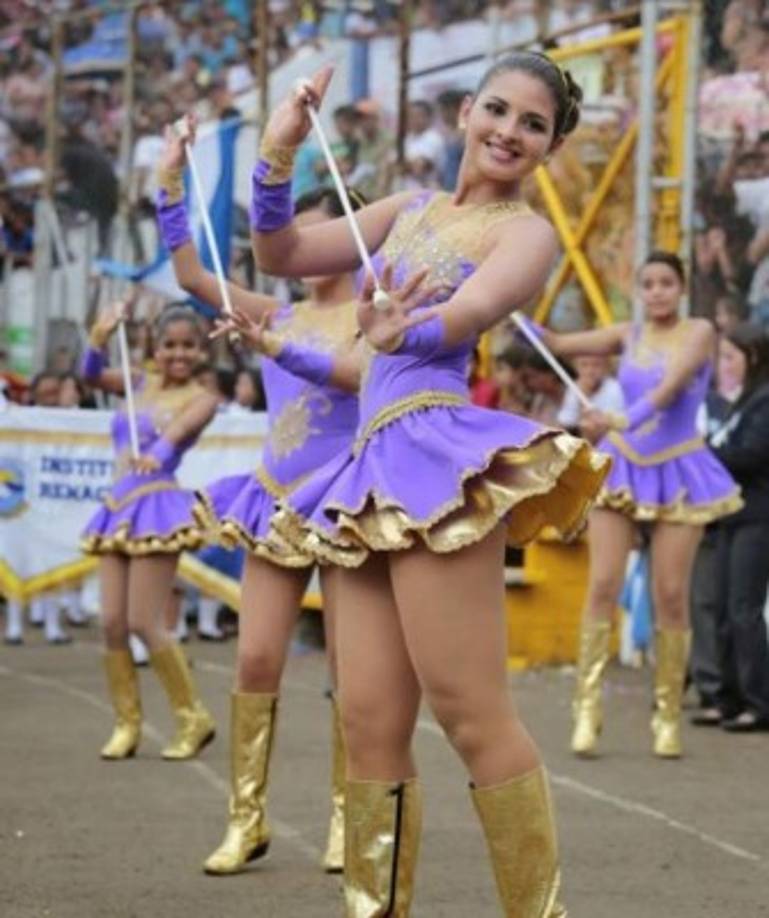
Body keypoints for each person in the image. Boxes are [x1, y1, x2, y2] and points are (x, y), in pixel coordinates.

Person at [249, 54, 609, 915]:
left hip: (435, 461)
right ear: (463, 113)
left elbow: (472, 314)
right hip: (366, 473)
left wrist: (401, 334)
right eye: (497, 110)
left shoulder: (524, 233)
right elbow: (283, 251)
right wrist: (278, 151)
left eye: (532, 125)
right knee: (368, 721)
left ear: (551, 146)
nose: (508, 132)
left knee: (468, 712)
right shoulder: (406, 209)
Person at [154, 118, 365, 876]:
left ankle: (350, 815)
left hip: (347, 504)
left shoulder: (375, 319)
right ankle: (246, 818)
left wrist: (275, 346)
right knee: (253, 660)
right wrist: (169, 177)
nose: (304, 256)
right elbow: (188, 276)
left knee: (353, 673)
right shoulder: (275, 311)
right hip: (276, 501)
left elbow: (351, 378)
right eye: (294, 241)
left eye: (318, 239)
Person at [526, 251, 743, 759]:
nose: (658, 292)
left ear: (681, 287)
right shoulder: (628, 334)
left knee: (671, 593)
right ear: (640, 290)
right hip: (623, 465)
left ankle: (667, 713)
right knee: (602, 583)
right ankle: (586, 708)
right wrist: (518, 310)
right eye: (648, 284)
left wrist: (618, 419)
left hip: (679, 467)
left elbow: (668, 393)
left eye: (667, 282)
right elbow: (556, 343)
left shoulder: (699, 332)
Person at [80, 303, 219, 762]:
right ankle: (127, 723)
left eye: (188, 346)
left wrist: (159, 450)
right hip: (118, 503)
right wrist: (100, 335)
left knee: (144, 620)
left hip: (157, 504)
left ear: (201, 351)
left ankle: (192, 717)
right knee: (111, 623)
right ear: (153, 348)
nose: (178, 354)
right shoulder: (136, 381)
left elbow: (183, 428)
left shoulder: (203, 396)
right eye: (169, 345)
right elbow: (90, 374)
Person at [697, 324, 769, 731]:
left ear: (753, 358)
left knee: (744, 608)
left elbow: (751, 454)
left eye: (730, 357)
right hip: (729, 516)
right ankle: (728, 697)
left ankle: (758, 701)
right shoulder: (739, 402)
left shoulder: (763, 401)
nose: (723, 366)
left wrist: (701, 452)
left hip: (756, 516)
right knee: (723, 607)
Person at [556, 354, 624, 435]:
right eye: (584, 365)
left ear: (606, 367)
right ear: (576, 368)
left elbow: (611, 426)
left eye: (596, 365)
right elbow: (565, 423)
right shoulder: (575, 388)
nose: (590, 371)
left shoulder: (614, 389)